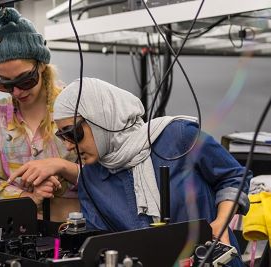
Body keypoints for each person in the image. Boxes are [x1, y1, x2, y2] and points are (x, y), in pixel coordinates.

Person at [13, 77, 251, 266]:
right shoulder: (92, 179)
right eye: (62, 136)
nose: (68, 145)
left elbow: (233, 176)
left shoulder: (176, 137)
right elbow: (106, 247)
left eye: (73, 133)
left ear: (101, 119)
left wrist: (221, 222)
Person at [0, 7, 80, 221]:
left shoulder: (75, 105)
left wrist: (61, 167)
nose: (17, 92)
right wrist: (28, 197)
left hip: (73, 226)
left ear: (42, 65)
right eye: (5, 84)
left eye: (25, 80)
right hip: (19, 227)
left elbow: (104, 177)